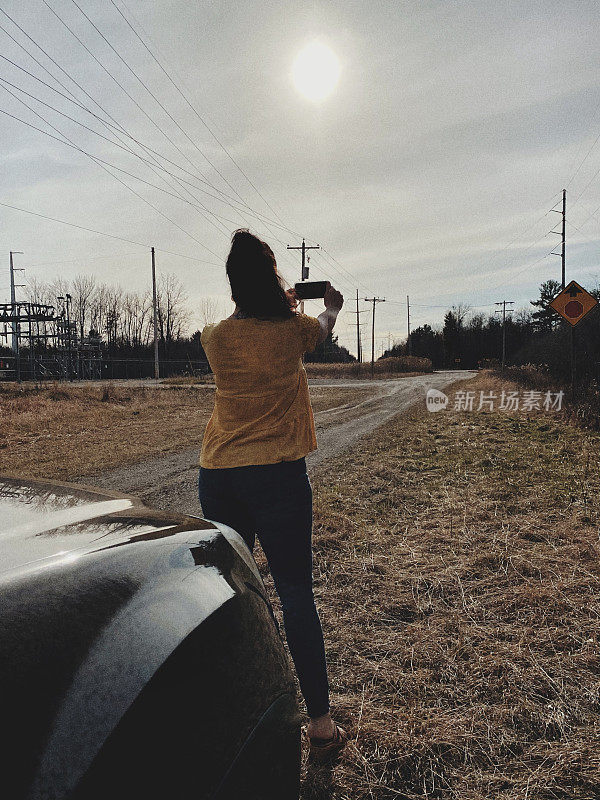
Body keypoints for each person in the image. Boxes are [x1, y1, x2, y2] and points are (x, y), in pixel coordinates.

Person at [198, 228, 347, 762]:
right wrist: (329, 306)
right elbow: (323, 330)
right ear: (274, 278)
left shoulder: (213, 338)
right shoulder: (293, 331)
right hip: (278, 476)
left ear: (233, 285)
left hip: (219, 474)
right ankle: (322, 724)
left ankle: (226, 715)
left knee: (228, 595)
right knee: (295, 593)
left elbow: (247, 327)